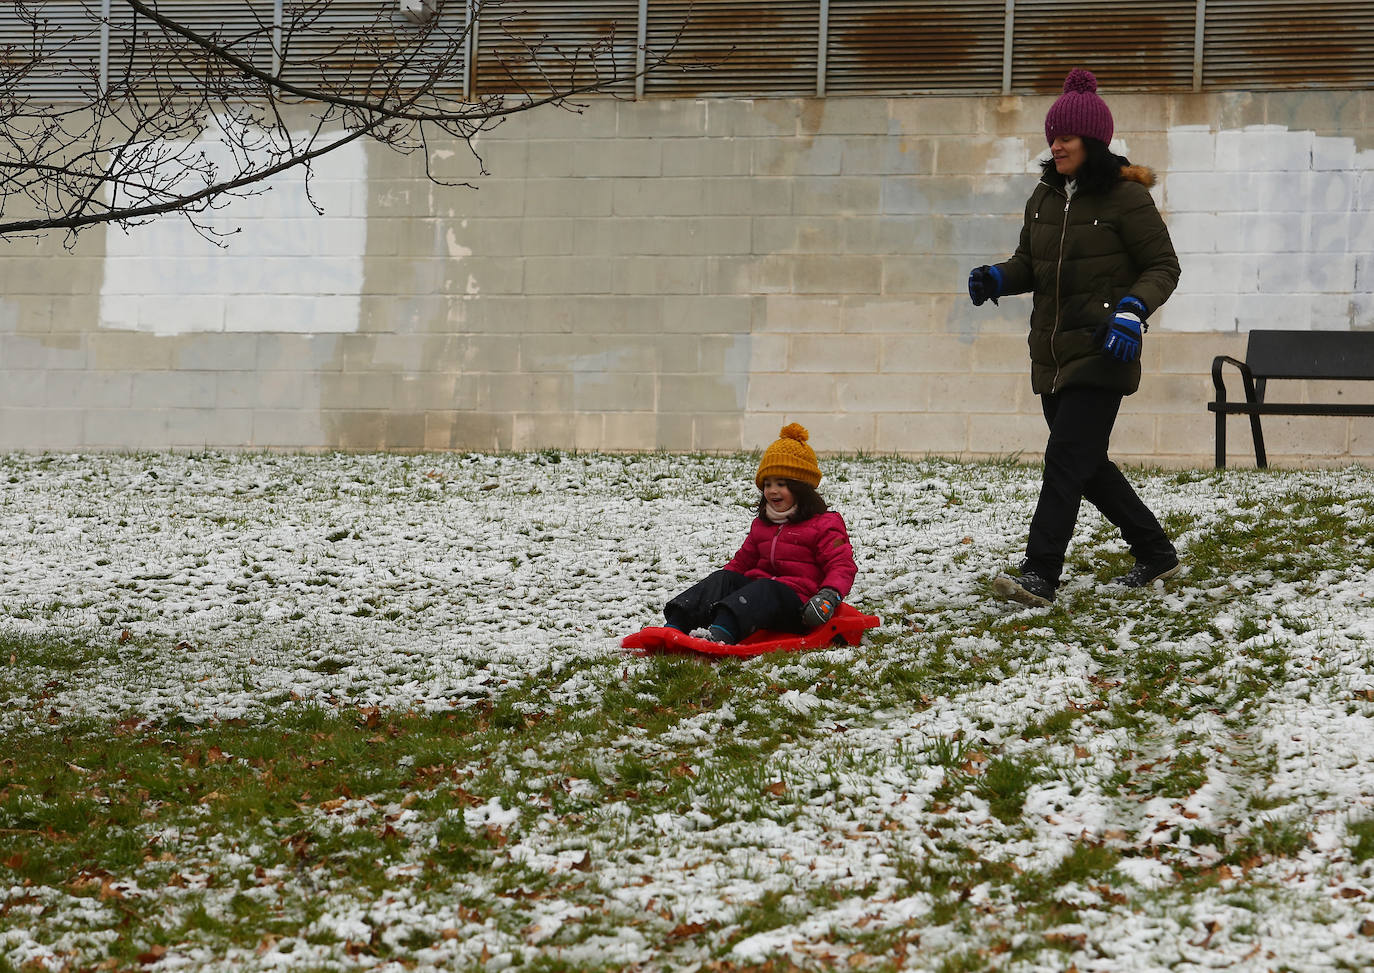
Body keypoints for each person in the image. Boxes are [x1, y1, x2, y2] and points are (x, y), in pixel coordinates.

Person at [967, 68, 1182, 607]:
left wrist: (1133, 309)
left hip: (1106, 350)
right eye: (1053, 136)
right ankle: (1155, 551)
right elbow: (1030, 264)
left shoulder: (1126, 200)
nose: (1056, 144)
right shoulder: (1043, 196)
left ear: (1093, 141)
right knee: (1086, 464)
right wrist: (999, 276)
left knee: (1065, 459)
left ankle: (1040, 573)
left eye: (1067, 136)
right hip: (1053, 355)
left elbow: (1162, 265)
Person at [663, 422, 857, 643]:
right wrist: (722, 587)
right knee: (723, 578)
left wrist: (828, 597)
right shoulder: (762, 525)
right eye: (767, 484)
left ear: (800, 488)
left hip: (799, 606)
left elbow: (841, 565)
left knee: (766, 587)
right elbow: (741, 563)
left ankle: (722, 632)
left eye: (781, 484)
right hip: (756, 599)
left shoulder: (823, 524)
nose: (772, 490)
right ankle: (677, 623)